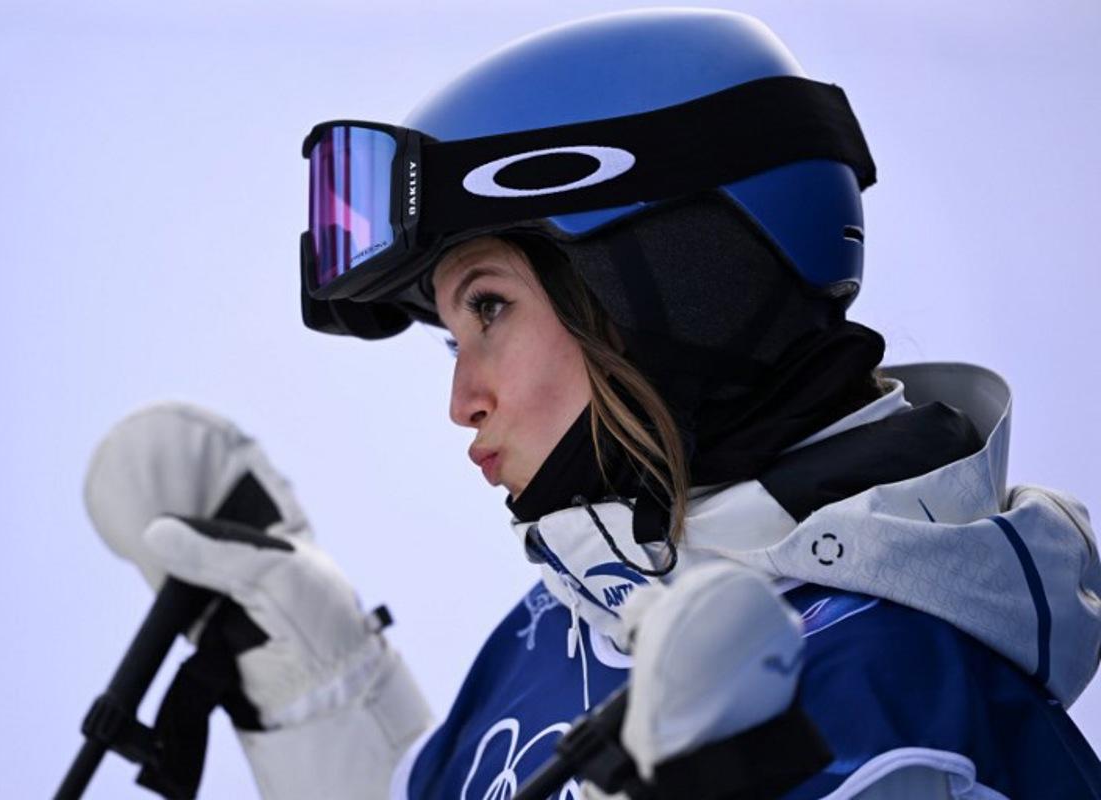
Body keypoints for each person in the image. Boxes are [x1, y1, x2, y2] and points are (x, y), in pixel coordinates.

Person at [84, 8, 1101, 799]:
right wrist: (321, 690)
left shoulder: (897, 698)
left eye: (490, 308)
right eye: (451, 333)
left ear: (676, 279)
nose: (460, 397)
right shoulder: (568, 622)